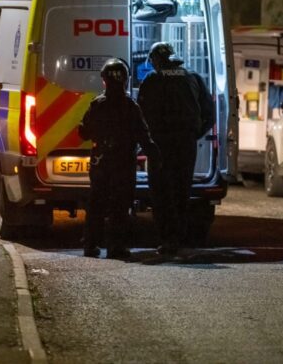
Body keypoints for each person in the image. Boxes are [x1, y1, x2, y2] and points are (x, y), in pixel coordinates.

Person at [137, 42, 214, 255]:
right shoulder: (193, 78)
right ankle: (179, 237)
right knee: (181, 191)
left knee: (161, 193)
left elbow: (140, 114)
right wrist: (195, 134)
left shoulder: (152, 80)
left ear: (155, 60)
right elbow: (209, 113)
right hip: (186, 145)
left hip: (161, 146)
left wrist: (144, 142)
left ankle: (167, 239)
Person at [79, 58, 161, 259]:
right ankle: (116, 247)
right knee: (120, 205)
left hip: (101, 161)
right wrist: (156, 156)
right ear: (125, 80)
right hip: (124, 163)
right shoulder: (131, 106)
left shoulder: (97, 105)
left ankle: (90, 245)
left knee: (96, 203)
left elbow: (83, 132)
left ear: (104, 81)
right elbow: (144, 134)